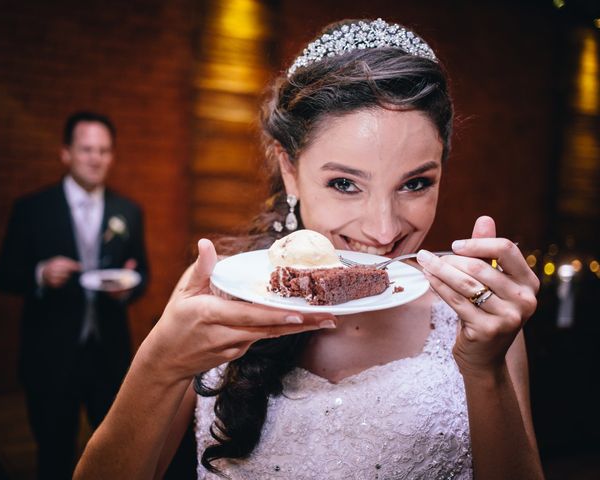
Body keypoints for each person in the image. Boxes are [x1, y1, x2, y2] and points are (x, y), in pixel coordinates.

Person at [75, 19, 544, 480]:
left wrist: (485, 372)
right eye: (344, 183)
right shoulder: (215, 293)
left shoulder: (477, 310)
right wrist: (159, 367)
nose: (383, 230)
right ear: (290, 171)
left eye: (416, 183)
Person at [0, 111, 149, 479]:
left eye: (104, 150)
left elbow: (142, 274)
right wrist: (41, 273)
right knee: (53, 451)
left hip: (108, 353)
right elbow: (4, 276)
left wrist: (128, 285)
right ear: (66, 153)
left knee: (113, 452)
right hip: (50, 354)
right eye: (86, 150)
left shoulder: (127, 211)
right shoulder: (33, 209)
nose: (96, 158)